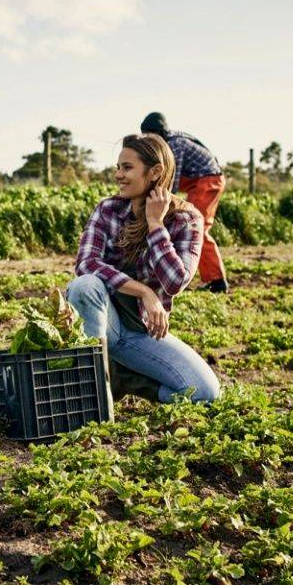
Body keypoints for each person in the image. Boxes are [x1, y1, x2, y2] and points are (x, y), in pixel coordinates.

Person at [67, 133, 221, 404]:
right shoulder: (108, 210)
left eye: (127, 167)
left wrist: (155, 224)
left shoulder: (186, 218)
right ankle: (92, 396)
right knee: (84, 285)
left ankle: (125, 378)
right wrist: (143, 292)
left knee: (205, 393)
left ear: (155, 172)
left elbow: (175, 281)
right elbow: (86, 263)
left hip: (142, 330)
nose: (118, 175)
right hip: (105, 323)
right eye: (118, 167)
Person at [141, 112, 229, 293]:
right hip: (196, 181)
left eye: (152, 135)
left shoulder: (175, 145)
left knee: (197, 228)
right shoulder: (167, 143)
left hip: (208, 180)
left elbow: (171, 180)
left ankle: (217, 282)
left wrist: (160, 206)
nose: (149, 139)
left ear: (162, 133)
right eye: (145, 135)